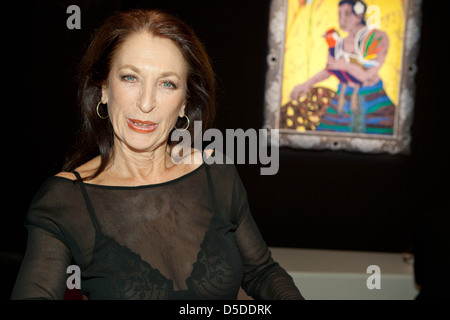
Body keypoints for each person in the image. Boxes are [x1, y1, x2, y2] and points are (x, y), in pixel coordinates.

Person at [11, 9, 303, 300]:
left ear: (184, 104)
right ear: (103, 89)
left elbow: (261, 271)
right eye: (130, 78)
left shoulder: (216, 173)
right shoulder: (65, 199)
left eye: (167, 83)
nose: (146, 103)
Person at [290, 0, 395, 135]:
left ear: (359, 15)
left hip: (372, 100)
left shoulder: (377, 37)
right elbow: (329, 69)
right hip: (342, 100)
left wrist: (343, 64)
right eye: (339, 15)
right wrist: (306, 84)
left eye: (347, 14)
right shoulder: (340, 43)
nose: (342, 20)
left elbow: (366, 74)